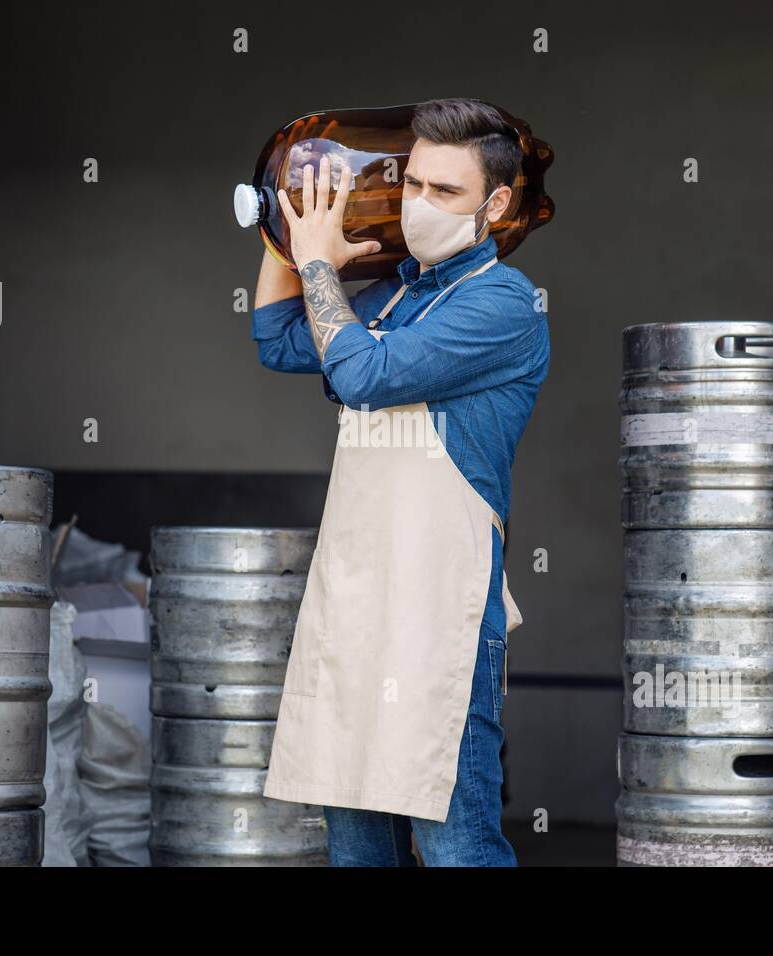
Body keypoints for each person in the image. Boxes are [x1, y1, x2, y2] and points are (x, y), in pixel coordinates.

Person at [249, 98, 550, 866]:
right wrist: (288, 229)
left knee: (457, 850)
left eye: (444, 192)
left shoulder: (501, 304)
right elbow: (280, 342)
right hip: (354, 610)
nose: (418, 203)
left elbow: (361, 374)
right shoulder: (393, 294)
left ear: (497, 204)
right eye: (412, 182)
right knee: (357, 853)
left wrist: (319, 265)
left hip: (437, 616)